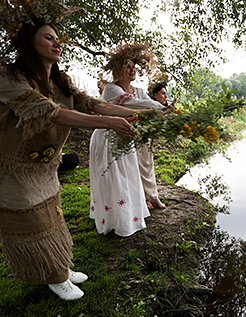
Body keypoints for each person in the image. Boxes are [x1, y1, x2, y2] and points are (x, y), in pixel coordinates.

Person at [0, 21, 141, 301]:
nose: (57, 43)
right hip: (13, 168)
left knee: (52, 219)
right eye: (48, 38)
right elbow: (51, 113)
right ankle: (55, 277)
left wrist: (137, 114)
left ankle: (59, 266)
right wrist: (108, 123)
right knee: (32, 224)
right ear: (29, 42)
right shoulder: (9, 76)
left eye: (57, 38)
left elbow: (92, 104)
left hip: (44, 166)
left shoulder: (59, 81)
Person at [89, 44, 170, 239]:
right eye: (127, 66)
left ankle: (128, 218)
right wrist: (160, 108)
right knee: (113, 178)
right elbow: (135, 104)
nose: (132, 70)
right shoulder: (110, 90)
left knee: (128, 177)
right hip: (108, 139)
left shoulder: (138, 90)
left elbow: (146, 102)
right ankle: (113, 221)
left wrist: (161, 110)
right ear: (118, 70)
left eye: (134, 66)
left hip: (125, 138)